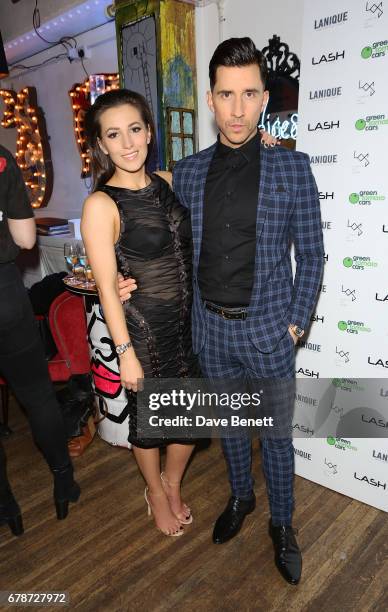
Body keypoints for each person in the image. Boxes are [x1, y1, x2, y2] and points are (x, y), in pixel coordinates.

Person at [120, 37, 324, 583]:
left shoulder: (294, 169)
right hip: (210, 331)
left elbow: (312, 253)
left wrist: (295, 327)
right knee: (231, 429)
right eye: (226, 95)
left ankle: (282, 523)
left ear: (263, 99)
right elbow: (150, 233)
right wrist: (122, 278)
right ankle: (240, 500)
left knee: (276, 438)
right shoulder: (186, 173)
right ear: (210, 99)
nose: (237, 109)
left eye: (248, 94)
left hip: (268, 334)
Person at [81, 89, 200, 537]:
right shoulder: (100, 205)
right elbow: (109, 291)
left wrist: (261, 140)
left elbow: (224, 172)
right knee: (150, 424)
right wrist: (124, 352)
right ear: (101, 144)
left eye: (135, 129)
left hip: (190, 325)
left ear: (149, 132)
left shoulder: (171, 180)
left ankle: (172, 482)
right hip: (145, 331)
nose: (128, 142)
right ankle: (154, 489)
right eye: (114, 134)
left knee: (188, 419)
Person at [0, 144, 80, 536]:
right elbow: (27, 239)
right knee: (38, 397)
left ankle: (5, 505)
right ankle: (64, 481)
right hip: (5, 299)